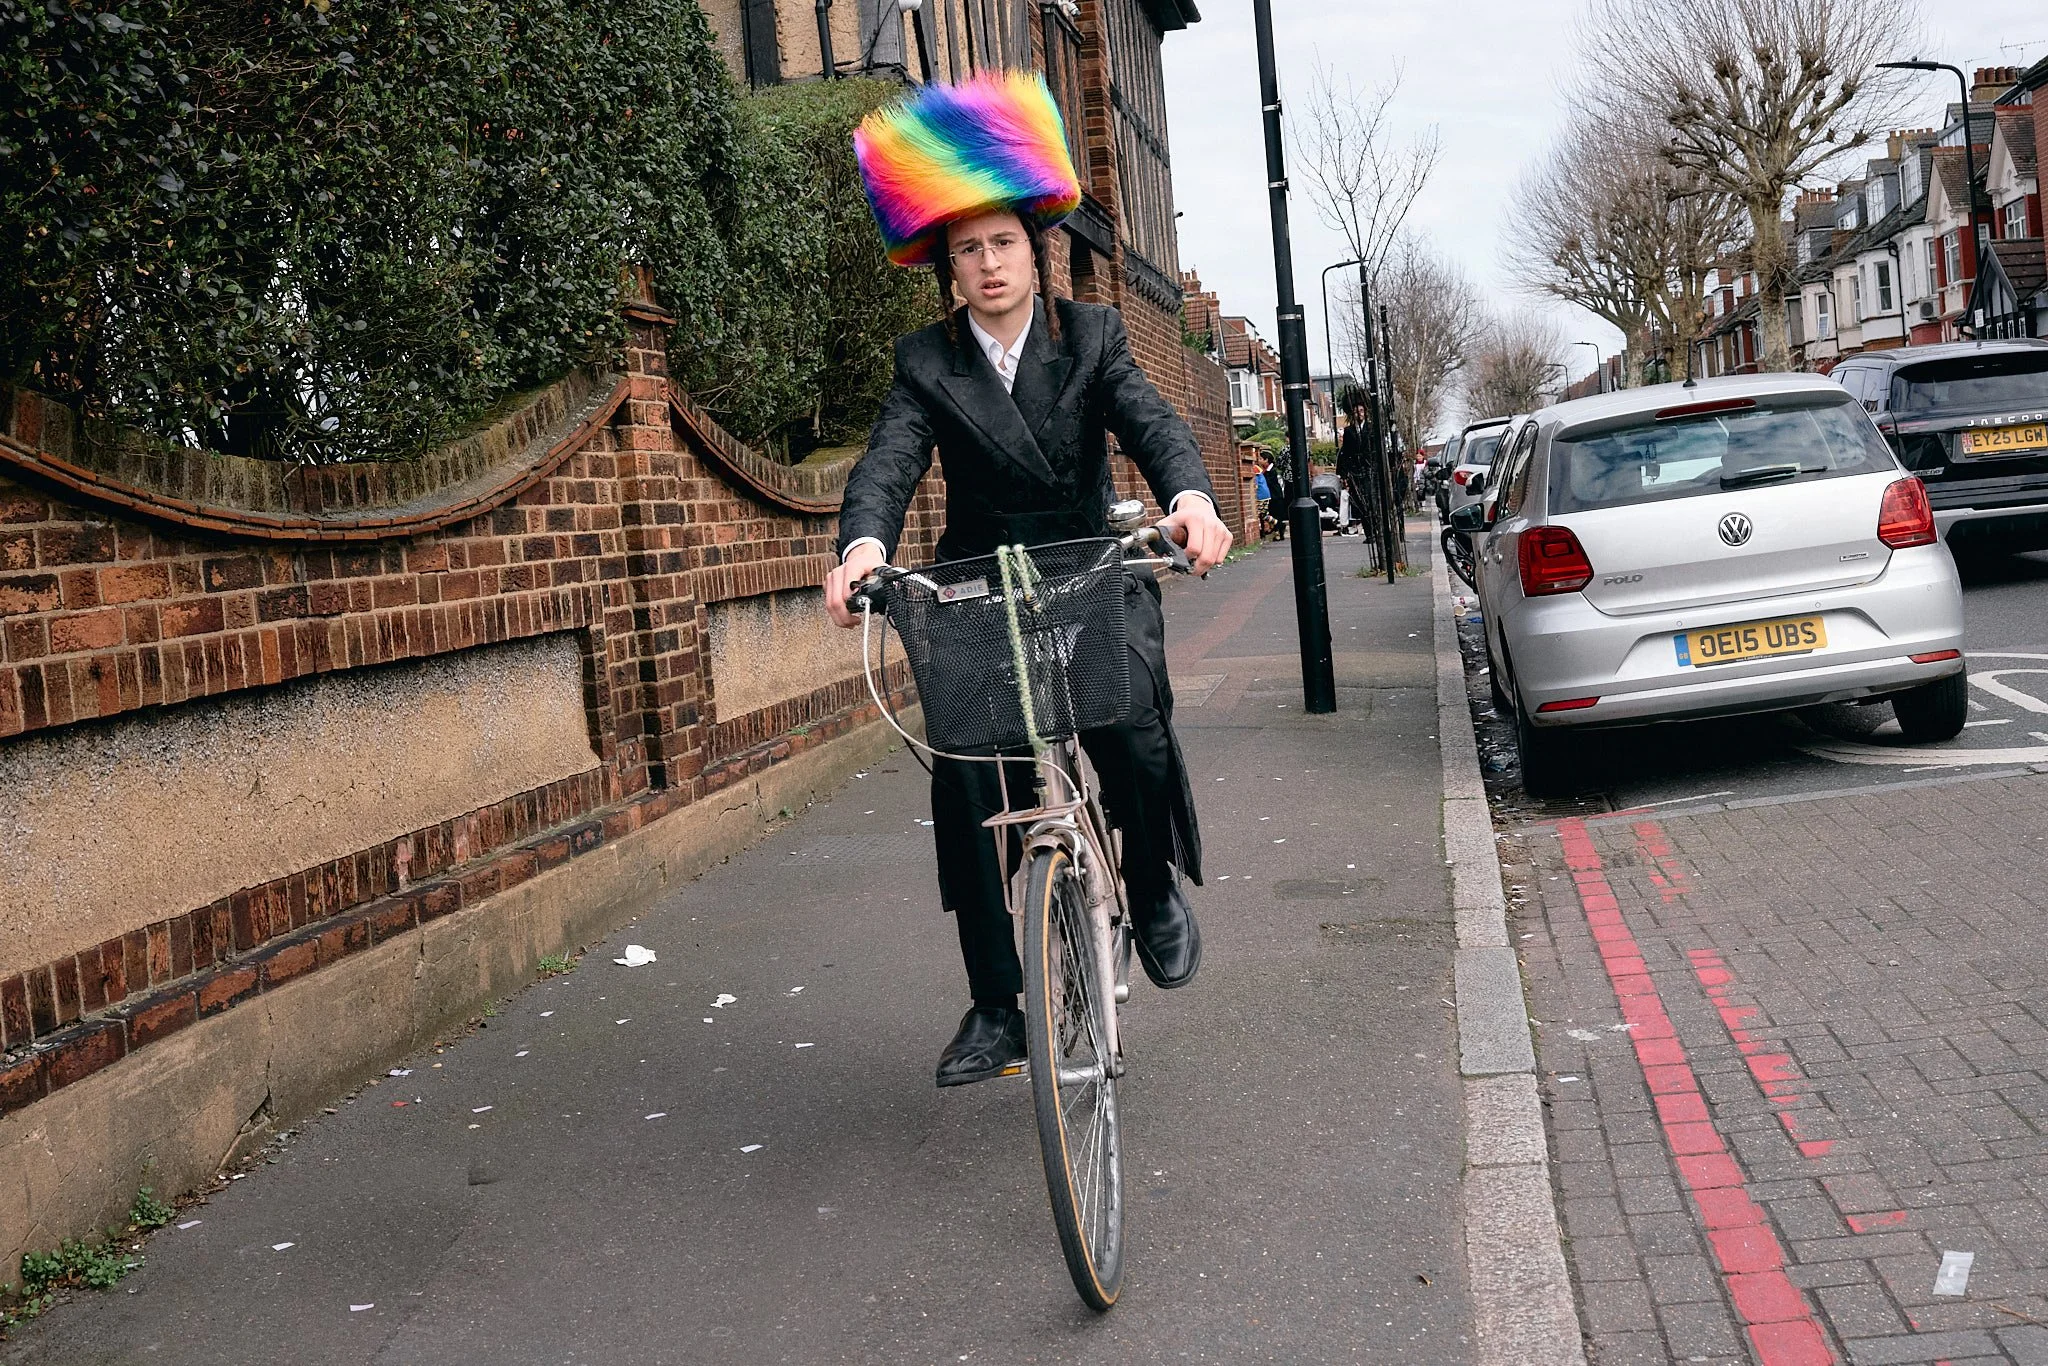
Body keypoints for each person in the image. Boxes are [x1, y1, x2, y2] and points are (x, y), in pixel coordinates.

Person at [822, 72, 1232, 1088]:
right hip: (979, 591)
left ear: (1033, 252)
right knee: (966, 782)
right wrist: (862, 547)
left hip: (1087, 570)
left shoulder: (1088, 337)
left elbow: (1153, 424)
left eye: (1002, 242)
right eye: (968, 249)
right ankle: (997, 1003)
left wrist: (1192, 499)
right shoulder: (926, 363)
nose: (988, 263)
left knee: (1128, 730)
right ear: (948, 269)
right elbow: (887, 459)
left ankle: (1150, 889)